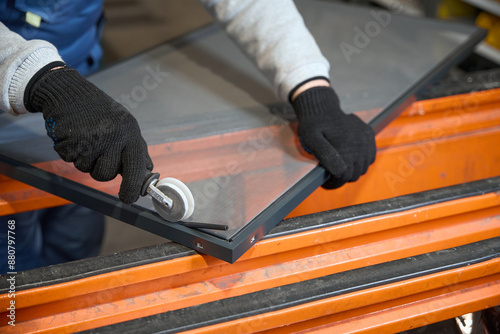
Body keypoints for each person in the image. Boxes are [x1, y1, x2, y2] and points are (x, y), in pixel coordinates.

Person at [0, 0, 376, 273]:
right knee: (16, 272)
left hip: (82, 93)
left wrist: (310, 87)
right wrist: (38, 79)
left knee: (74, 248)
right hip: (19, 94)